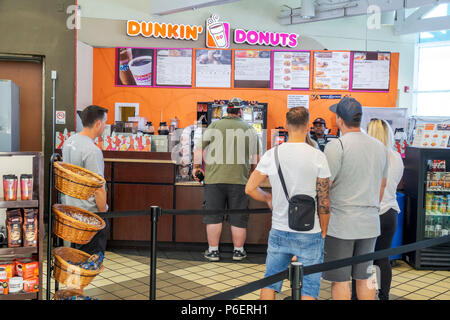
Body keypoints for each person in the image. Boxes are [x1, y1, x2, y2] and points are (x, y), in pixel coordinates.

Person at [245, 107, 331, 300]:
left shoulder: (272, 154)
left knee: (270, 282)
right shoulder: (318, 156)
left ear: (286, 125)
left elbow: (249, 188)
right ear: (308, 126)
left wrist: (268, 198)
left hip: (280, 229)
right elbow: (324, 200)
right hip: (310, 231)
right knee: (309, 287)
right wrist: (323, 230)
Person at [323, 97, 388, 300]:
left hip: (341, 224)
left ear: (339, 119)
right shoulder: (380, 147)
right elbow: (382, 185)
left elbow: (325, 188)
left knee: (341, 280)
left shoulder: (336, 146)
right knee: (366, 277)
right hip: (370, 223)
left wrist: (322, 224)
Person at [193, 98, 260, 262]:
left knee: (213, 216)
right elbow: (256, 159)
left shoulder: (214, 126)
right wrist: (251, 173)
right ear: (240, 111)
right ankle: (238, 251)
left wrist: (196, 167)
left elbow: (198, 148)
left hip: (214, 179)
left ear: (226, 110)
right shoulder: (249, 129)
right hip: (240, 180)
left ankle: (213, 251)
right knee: (238, 217)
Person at [61, 105, 109, 255]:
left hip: (71, 210)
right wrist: (103, 214)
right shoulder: (92, 151)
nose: (106, 126)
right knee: (89, 261)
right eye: (105, 122)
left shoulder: (69, 142)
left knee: (75, 257)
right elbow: (98, 188)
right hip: (89, 215)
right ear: (98, 124)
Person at [365, 119, 404, 300]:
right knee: (383, 258)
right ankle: (384, 295)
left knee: (364, 260)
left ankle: (364, 294)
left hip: (369, 212)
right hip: (390, 213)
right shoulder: (396, 158)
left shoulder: (367, 156)